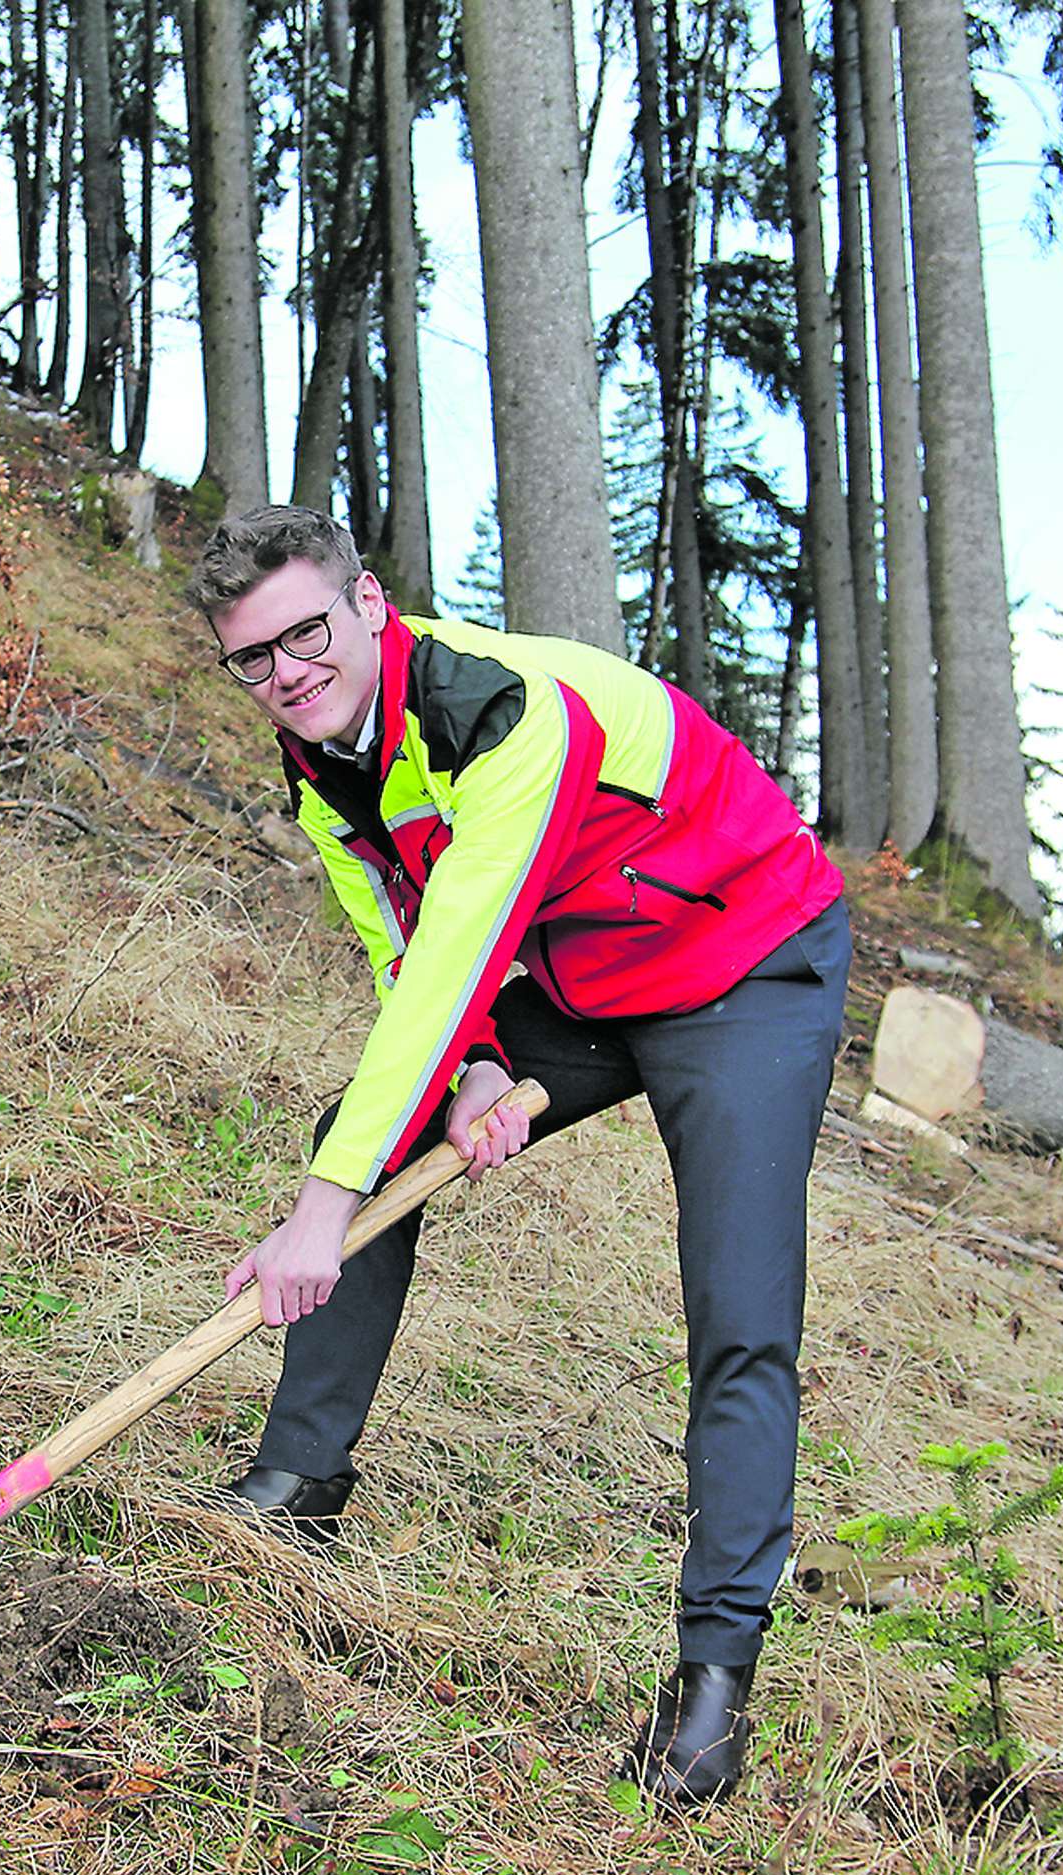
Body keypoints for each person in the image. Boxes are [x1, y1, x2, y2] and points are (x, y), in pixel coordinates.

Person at [188, 508, 850, 1808]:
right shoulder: (320, 760)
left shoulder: (505, 715)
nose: (288, 676)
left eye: (306, 634)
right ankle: (295, 1483)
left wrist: (318, 1215)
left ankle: (712, 1684)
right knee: (365, 1136)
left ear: (371, 604)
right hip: (584, 973)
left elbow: (454, 947)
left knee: (737, 1306)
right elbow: (405, 950)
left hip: (742, 963)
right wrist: (483, 1059)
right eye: (254, 658)